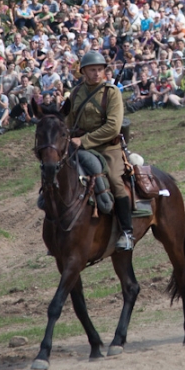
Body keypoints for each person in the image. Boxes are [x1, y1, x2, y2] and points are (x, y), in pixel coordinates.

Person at [66, 51, 134, 251]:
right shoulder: (75, 93)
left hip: (107, 147)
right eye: (92, 70)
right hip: (77, 145)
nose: (97, 73)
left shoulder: (111, 92)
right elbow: (68, 120)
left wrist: (84, 140)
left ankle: (127, 232)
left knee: (114, 180)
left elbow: (113, 126)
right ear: (83, 72)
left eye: (100, 70)